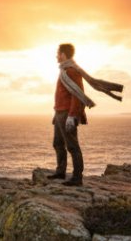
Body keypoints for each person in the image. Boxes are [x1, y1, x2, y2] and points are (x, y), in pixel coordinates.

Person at [51, 43, 124, 186]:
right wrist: (56, 113)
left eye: (58, 53)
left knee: (72, 146)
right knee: (58, 143)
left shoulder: (72, 71)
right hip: (59, 113)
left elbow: (77, 95)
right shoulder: (64, 70)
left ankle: (77, 178)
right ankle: (61, 172)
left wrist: (72, 116)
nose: (56, 56)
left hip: (67, 114)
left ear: (63, 55)